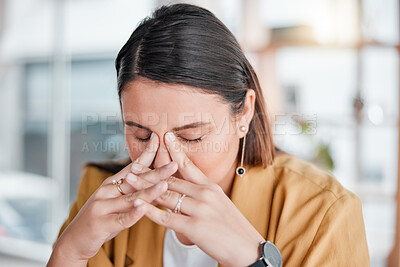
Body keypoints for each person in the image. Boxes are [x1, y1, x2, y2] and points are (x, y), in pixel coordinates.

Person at [47, 3, 370, 267]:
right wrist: (68, 253)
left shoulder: (324, 211)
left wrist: (252, 260)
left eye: (191, 136)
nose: (163, 163)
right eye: (142, 135)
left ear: (243, 112)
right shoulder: (101, 193)